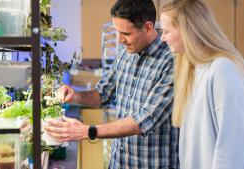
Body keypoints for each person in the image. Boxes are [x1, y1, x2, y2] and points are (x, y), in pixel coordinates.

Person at [44, 0, 179, 168]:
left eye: (126, 33)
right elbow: (103, 93)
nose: (120, 40)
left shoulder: (172, 61)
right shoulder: (124, 52)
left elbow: (146, 119)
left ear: (148, 28)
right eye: (117, 32)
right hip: (118, 163)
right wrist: (75, 96)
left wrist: (88, 131)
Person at [160, 0, 244, 169]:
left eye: (166, 31)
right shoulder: (193, 70)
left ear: (187, 30)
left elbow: (231, 149)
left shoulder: (223, 69)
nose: (162, 39)